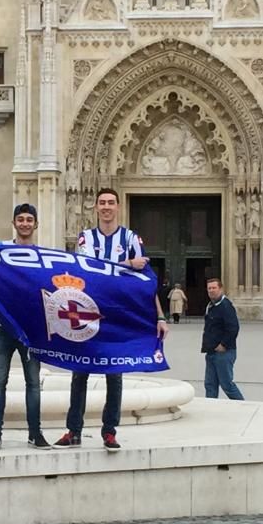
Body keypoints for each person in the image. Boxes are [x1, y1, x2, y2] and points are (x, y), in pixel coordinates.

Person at [56, 188, 170, 453]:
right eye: (102, 203)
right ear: (96, 207)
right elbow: (88, 269)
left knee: (114, 375)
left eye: (110, 202)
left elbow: (145, 281)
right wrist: (129, 262)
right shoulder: (85, 238)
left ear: (118, 206)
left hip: (117, 315)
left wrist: (160, 316)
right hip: (86, 312)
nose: (106, 207)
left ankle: (109, 431)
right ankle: (74, 430)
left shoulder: (130, 237)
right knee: (79, 372)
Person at [0, 203, 50, 451]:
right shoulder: (0, 250)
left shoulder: (42, 256)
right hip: (2, 328)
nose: (24, 223)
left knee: (33, 382)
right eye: (20, 219)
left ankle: (35, 433)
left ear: (36, 224)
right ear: (14, 223)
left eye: (29, 219)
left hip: (30, 330)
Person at [201, 278, 244, 400]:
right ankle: (210, 408)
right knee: (210, 384)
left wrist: (223, 345)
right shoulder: (210, 305)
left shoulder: (226, 306)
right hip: (211, 351)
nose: (211, 291)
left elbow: (233, 327)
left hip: (223, 352)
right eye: (209, 288)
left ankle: (244, 407)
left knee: (227, 385)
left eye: (214, 288)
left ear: (221, 289)